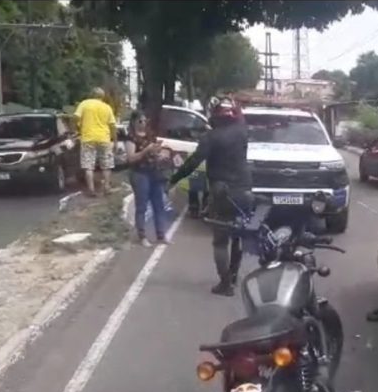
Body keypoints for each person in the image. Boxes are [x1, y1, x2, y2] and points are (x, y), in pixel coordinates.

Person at [169, 96, 251, 297]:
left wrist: (174, 179)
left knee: (220, 241)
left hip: (222, 192)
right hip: (245, 190)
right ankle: (233, 275)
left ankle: (225, 284)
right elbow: (240, 117)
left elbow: (193, 162)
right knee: (238, 236)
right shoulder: (242, 131)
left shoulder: (211, 137)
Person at [125, 110, 169, 247]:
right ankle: (142, 235)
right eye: (140, 121)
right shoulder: (131, 138)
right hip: (140, 173)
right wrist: (145, 151)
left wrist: (160, 154)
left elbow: (155, 152)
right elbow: (131, 158)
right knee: (142, 206)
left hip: (154, 172)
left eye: (145, 121)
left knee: (159, 204)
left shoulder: (150, 135)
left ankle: (161, 234)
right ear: (134, 122)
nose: (143, 123)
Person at [74, 87, 117, 196]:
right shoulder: (107, 107)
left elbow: (75, 117)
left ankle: (91, 189)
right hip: (104, 138)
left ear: (91, 94)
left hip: (88, 138)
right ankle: (107, 187)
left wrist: (77, 127)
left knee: (89, 165)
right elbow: (112, 126)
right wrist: (115, 140)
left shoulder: (84, 104)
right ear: (102, 96)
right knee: (106, 164)